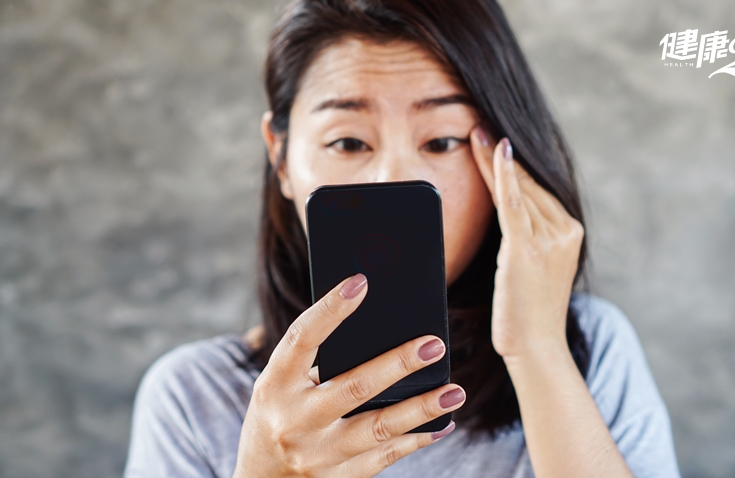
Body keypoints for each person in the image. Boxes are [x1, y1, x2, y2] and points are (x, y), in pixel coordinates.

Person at [125, 0, 681, 477]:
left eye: (441, 142)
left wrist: (537, 349)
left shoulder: (589, 349)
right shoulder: (193, 398)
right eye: (348, 142)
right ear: (281, 157)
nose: (391, 178)